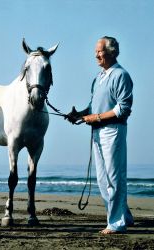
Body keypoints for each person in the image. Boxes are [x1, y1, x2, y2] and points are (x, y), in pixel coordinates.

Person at [67, 36, 134, 234]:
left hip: (113, 131)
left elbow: (123, 109)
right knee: (103, 180)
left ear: (111, 52)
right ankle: (124, 217)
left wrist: (95, 117)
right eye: (95, 51)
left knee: (114, 177)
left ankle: (116, 224)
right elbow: (93, 106)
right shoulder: (99, 77)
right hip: (97, 132)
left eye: (100, 50)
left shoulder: (121, 75)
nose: (96, 54)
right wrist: (79, 114)